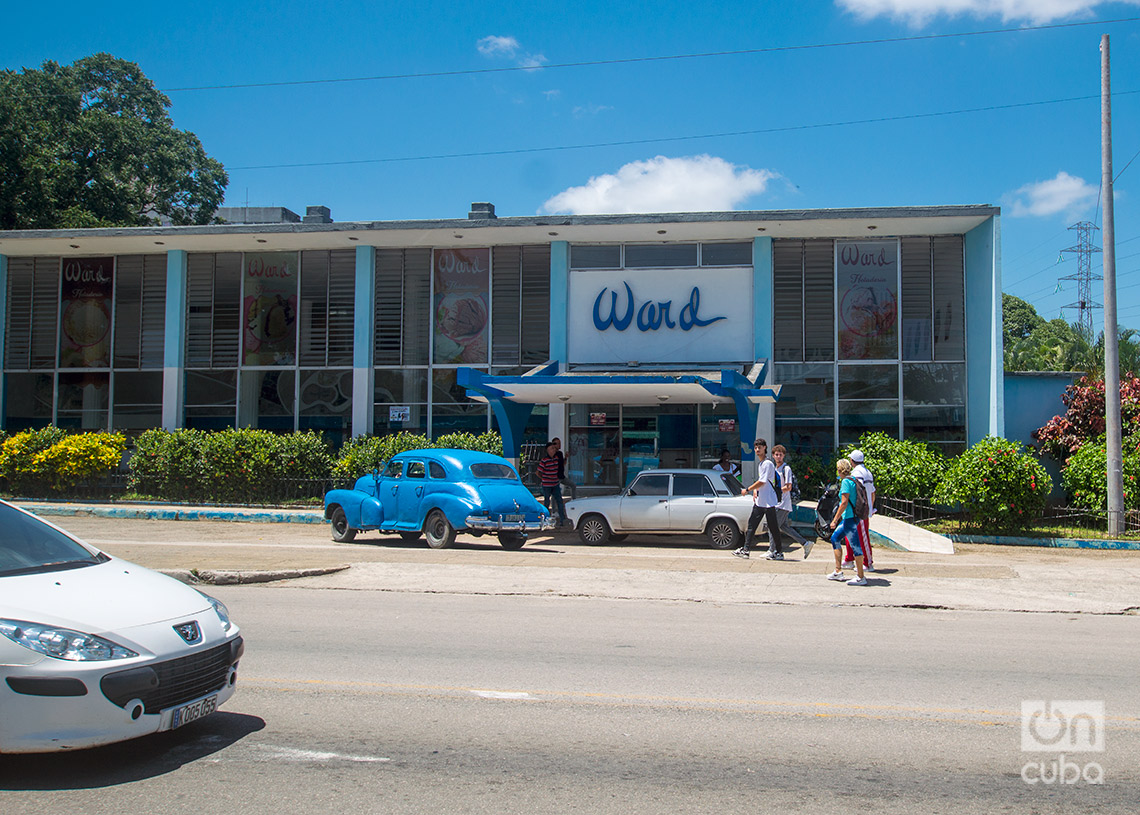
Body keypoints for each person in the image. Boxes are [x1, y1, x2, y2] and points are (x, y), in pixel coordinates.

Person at [732, 439, 784, 561]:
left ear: (765, 448)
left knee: (773, 528)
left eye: (759, 447)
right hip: (761, 501)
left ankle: (778, 552)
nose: (757, 450)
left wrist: (748, 489)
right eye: (755, 448)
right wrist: (756, 490)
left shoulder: (767, 464)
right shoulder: (761, 464)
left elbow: (762, 481)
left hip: (768, 502)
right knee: (752, 526)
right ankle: (746, 549)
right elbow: (762, 482)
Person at [828, 458, 867, 586]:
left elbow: (844, 502)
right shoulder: (853, 479)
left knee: (855, 546)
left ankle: (861, 576)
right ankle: (838, 571)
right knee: (835, 538)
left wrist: (835, 519)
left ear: (839, 470)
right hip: (853, 517)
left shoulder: (845, 482)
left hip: (849, 518)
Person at [769, 444, 812, 559]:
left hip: (783, 503)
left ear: (784, 456)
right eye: (776, 455)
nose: (778, 457)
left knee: (773, 527)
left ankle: (773, 551)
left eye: (780, 455)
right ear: (773, 456)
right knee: (784, 527)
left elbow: (788, 486)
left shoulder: (786, 469)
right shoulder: (775, 469)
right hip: (776, 502)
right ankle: (805, 543)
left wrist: (776, 492)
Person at [843, 449, 876, 572]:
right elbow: (872, 492)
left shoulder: (856, 474)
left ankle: (867, 563)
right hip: (862, 509)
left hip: (858, 510)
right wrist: (870, 508)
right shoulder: (867, 472)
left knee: (861, 536)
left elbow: (857, 492)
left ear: (852, 461)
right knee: (852, 534)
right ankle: (850, 558)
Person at [537, 442, 566, 526]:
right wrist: (544, 478)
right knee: (546, 501)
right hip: (547, 484)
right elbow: (538, 472)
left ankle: (562, 519)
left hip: (555, 483)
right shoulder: (544, 460)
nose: (553, 450)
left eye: (554, 449)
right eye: (551, 449)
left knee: (559, 501)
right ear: (547, 450)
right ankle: (545, 519)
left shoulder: (556, 458)